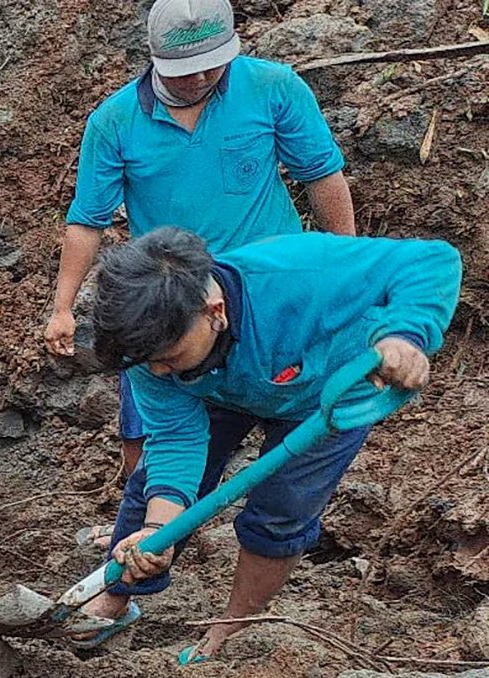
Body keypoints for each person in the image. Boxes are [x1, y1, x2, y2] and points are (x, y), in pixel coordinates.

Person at [42, 0, 354, 553]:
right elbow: (86, 220)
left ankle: (278, 531)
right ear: (156, 58)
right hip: (169, 307)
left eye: (214, 63)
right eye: (188, 70)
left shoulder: (272, 88)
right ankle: (133, 567)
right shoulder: (115, 122)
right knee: (157, 441)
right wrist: (63, 306)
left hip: (269, 302)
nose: (205, 77)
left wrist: (345, 265)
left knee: (292, 419)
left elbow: (322, 175)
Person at [80, 227, 459, 660]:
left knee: (282, 511)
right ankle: (115, 597)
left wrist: (406, 333)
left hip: (327, 398)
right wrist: (157, 529)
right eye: (149, 363)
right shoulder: (150, 351)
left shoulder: (305, 273)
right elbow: (175, 438)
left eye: (168, 357)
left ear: (214, 310)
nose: (158, 371)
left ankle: (233, 628)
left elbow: (433, 259)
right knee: (148, 493)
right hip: (218, 387)